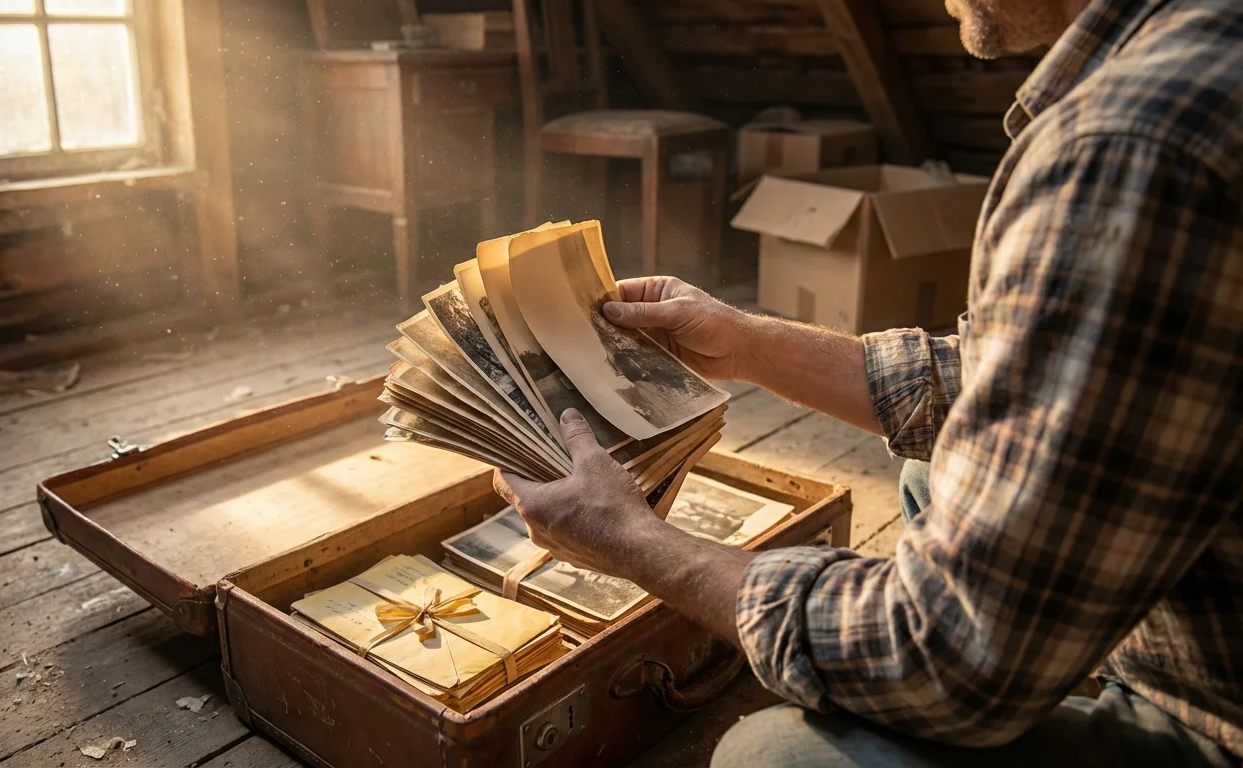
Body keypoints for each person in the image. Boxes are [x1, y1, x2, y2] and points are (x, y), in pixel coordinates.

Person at [491, 0, 1242, 763]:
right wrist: (749, 343)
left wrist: (635, 542)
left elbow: (946, 656)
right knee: (933, 468)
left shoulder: (1130, 146)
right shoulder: (1201, 51)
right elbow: (1015, 381)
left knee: (774, 760)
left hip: (1216, 717)